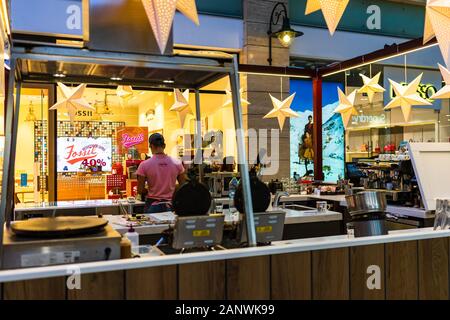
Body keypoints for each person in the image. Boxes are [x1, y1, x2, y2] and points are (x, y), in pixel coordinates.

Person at [137, 133, 187, 213]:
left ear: (151, 146)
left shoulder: (144, 165)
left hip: (152, 205)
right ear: (164, 146)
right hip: (170, 205)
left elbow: (140, 190)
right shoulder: (177, 163)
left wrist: (148, 191)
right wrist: (171, 188)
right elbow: (183, 186)